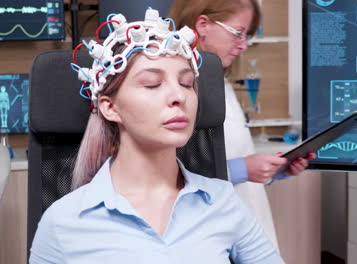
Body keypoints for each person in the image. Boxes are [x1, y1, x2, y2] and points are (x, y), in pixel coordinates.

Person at [29, 9, 285, 263]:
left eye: (186, 84)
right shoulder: (63, 222)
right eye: (152, 84)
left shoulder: (223, 201)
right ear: (110, 107)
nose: (179, 96)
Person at [169, 0, 316, 250]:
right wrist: (242, 170)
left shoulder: (217, 81)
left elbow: (228, 157)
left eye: (247, 35)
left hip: (245, 225)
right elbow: (168, 177)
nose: (244, 44)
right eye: (238, 33)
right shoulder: (175, 87)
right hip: (208, 236)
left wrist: (274, 169)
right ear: (202, 25)